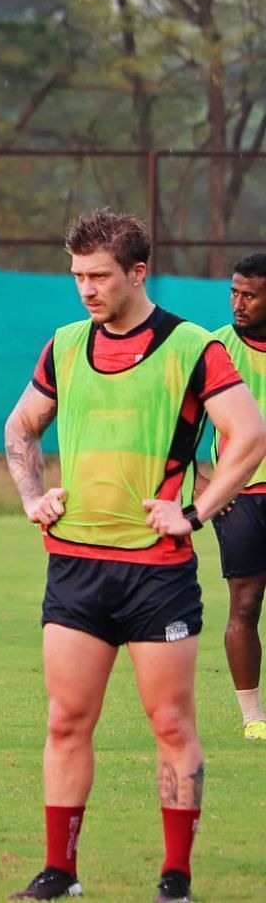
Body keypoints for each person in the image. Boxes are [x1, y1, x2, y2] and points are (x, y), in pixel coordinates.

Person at [3, 209, 266, 903]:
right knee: (65, 719)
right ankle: (60, 869)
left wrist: (196, 511)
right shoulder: (63, 344)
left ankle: (175, 877)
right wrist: (32, 492)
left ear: (137, 271)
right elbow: (21, 425)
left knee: (173, 723)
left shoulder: (191, 347)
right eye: (77, 276)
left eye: (98, 276)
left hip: (158, 574)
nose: (85, 289)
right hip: (75, 567)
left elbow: (249, 435)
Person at [206, 253, 266, 739]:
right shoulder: (216, 350)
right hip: (242, 498)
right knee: (244, 608)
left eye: (250, 294)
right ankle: (253, 720)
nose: (238, 303)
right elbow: (180, 431)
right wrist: (207, 490)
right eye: (234, 292)